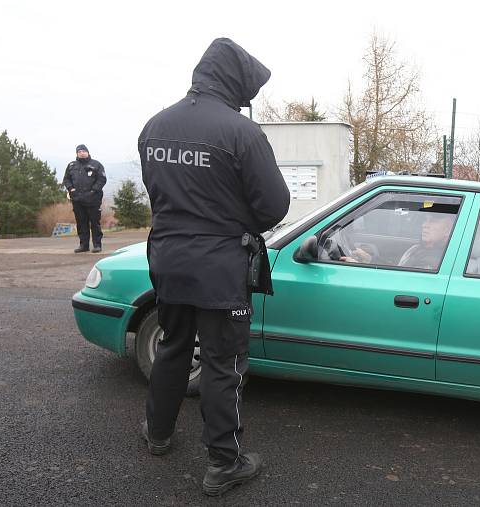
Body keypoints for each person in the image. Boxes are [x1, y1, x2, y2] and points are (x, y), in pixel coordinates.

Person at [137, 38, 290, 497]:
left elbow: (158, 193)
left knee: (173, 347)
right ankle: (224, 462)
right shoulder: (241, 133)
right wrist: (230, 220)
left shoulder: (154, 126)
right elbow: (274, 206)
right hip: (220, 269)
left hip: (167, 261)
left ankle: (157, 433)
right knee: (223, 364)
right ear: (235, 80)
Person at [340, 211, 455, 270]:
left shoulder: (434, 261)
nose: (425, 225)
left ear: (448, 229)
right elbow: (399, 268)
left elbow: (398, 281)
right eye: (425, 220)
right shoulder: (422, 248)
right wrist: (369, 260)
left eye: (433, 221)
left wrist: (360, 268)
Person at [62, 144, 106, 253]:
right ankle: (84, 245)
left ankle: (97, 245)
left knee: (94, 222)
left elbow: (102, 179)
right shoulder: (71, 165)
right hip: (77, 199)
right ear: (77, 153)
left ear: (87, 152)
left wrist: (94, 190)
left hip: (93, 199)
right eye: (79, 151)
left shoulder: (96, 164)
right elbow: (66, 179)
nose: (82, 153)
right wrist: (71, 189)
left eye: (83, 151)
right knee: (81, 223)